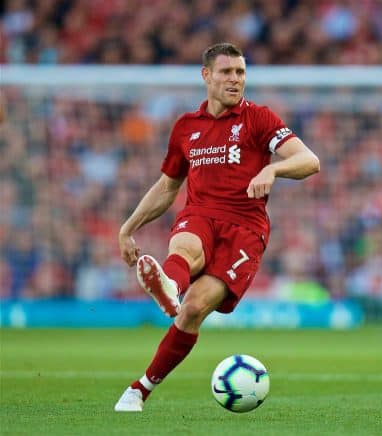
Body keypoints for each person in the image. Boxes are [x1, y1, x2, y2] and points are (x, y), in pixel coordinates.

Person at [114, 42, 320, 412]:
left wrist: (273, 168)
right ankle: (169, 286)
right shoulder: (185, 128)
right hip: (200, 215)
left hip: (245, 230)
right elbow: (167, 187)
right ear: (206, 76)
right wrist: (127, 228)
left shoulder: (259, 119)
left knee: (193, 310)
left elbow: (310, 160)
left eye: (240, 72)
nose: (235, 79)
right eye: (226, 72)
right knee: (186, 248)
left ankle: (141, 387)